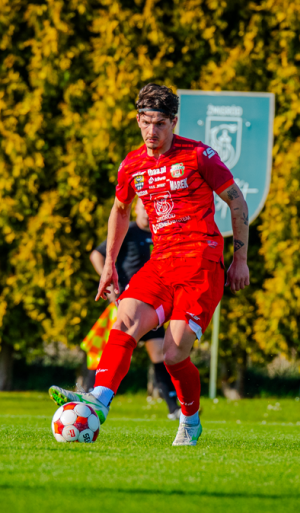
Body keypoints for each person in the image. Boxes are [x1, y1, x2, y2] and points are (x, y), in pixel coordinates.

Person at [50, 83, 250, 446]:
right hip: (161, 263)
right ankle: (99, 401)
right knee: (124, 319)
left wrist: (240, 259)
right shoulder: (132, 164)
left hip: (201, 265)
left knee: (173, 354)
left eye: (159, 123)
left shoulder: (199, 155)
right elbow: (120, 210)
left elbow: (237, 203)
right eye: (145, 122)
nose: (151, 131)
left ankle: (190, 419)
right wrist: (109, 264)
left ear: (174, 122)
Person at [89, 197, 181, 420]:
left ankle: (173, 408)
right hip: (125, 302)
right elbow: (96, 254)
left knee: (160, 352)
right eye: (143, 207)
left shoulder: (160, 234)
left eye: (151, 208)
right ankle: (90, 396)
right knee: (107, 349)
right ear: (136, 209)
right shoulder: (128, 232)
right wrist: (109, 285)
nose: (147, 213)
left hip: (151, 303)